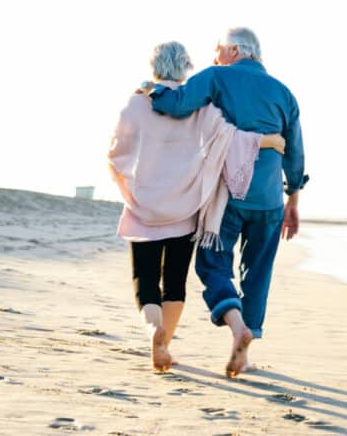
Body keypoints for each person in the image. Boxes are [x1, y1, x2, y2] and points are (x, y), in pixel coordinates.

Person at [108, 41, 285, 372]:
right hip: (185, 209)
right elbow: (233, 138)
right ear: (187, 66)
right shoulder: (200, 107)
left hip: (144, 206)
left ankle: (153, 331)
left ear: (154, 66)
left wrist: (129, 187)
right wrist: (272, 141)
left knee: (144, 279)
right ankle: (167, 343)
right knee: (174, 282)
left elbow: (116, 152)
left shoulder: (136, 103)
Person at [146, 27, 307, 377]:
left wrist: (151, 90)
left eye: (218, 49)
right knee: (258, 272)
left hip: (229, 194)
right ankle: (246, 351)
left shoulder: (217, 76)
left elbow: (176, 104)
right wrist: (293, 198)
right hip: (269, 200)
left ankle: (237, 329)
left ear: (233, 50)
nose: (215, 56)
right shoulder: (284, 92)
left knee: (212, 263)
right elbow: (295, 154)